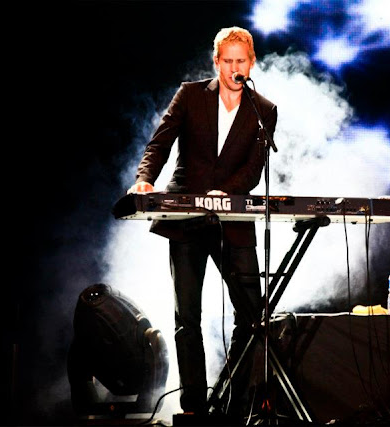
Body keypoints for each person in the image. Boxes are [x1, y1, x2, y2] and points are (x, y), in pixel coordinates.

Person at [127, 27, 278, 416]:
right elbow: (159, 143)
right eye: (227, 61)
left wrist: (225, 192)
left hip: (233, 222)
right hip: (186, 219)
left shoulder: (264, 110)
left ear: (251, 63)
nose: (233, 68)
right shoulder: (190, 95)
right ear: (216, 62)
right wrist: (145, 178)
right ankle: (194, 406)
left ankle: (229, 401)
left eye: (240, 61)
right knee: (187, 317)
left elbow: (253, 169)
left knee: (253, 316)